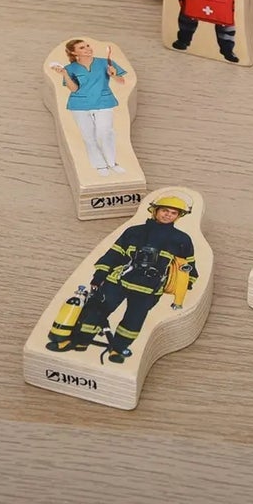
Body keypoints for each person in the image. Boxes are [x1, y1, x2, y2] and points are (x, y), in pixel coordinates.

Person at [46, 196, 198, 363]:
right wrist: (99, 277)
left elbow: (188, 266)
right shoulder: (134, 232)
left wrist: (185, 285)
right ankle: (79, 342)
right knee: (95, 310)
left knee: (133, 321)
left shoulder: (182, 240)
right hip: (118, 280)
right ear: (155, 210)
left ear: (178, 216)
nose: (168, 215)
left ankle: (117, 350)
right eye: (164, 211)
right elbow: (114, 254)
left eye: (173, 213)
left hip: (149, 289)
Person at [46, 38, 128, 175]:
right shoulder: (70, 68)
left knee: (105, 132)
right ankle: (100, 165)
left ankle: (112, 163)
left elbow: (121, 81)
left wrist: (113, 75)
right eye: (82, 48)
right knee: (88, 136)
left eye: (88, 46)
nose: (88, 49)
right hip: (79, 105)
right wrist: (65, 75)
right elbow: (73, 89)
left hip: (103, 101)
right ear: (73, 52)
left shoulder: (105, 63)